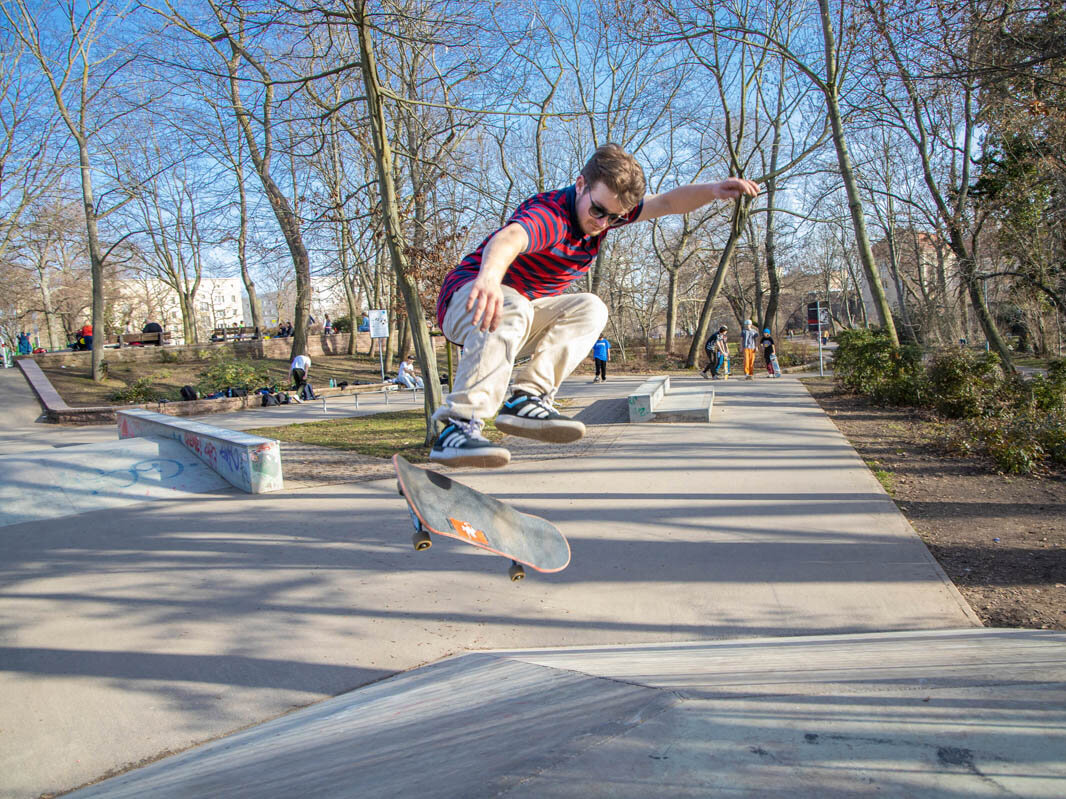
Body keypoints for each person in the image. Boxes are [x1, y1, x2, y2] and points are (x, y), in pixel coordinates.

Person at [429, 143, 758, 467]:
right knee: (511, 303)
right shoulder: (553, 217)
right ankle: (456, 427)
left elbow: (669, 202)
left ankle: (527, 398)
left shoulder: (608, 213)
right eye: (597, 211)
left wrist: (714, 189)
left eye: (615, 218)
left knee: (592, 307)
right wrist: (489, 279)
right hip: (468, 298)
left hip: (515, 319)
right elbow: (510, 238)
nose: (602, 223)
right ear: (581, 185)